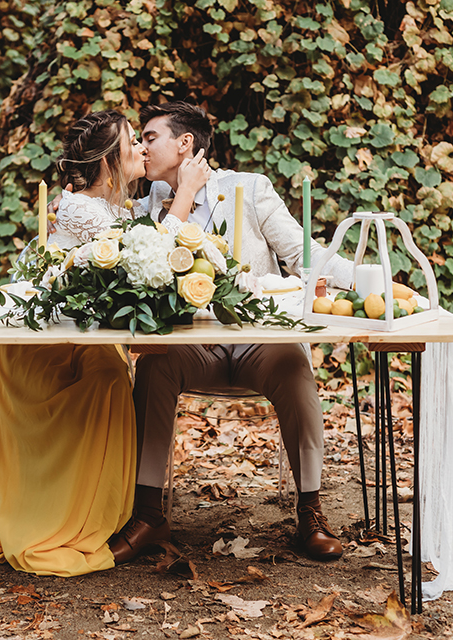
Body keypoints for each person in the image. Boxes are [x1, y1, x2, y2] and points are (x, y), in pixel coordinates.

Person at [0, 110, 208, 575]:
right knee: (111, 377)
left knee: (113, 372)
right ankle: (67, 518)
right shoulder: (77, 207)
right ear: (111, 161)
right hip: (41, 347)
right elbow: (147, 257)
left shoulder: (122, 209)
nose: (140, 149)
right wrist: (187, 195)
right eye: (133, 142)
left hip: (80, 337)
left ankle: (96, 510)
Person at [108, 101, 356, 564]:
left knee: (294, 364)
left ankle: (310, 510)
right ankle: (147, 515)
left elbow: (303, 254)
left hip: (257, 342)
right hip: (190, 348)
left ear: (186, 144)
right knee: (154, 367)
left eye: (150, 137)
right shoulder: (138, 208)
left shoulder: (249, 188)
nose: (142, 147)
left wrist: (364, 279)